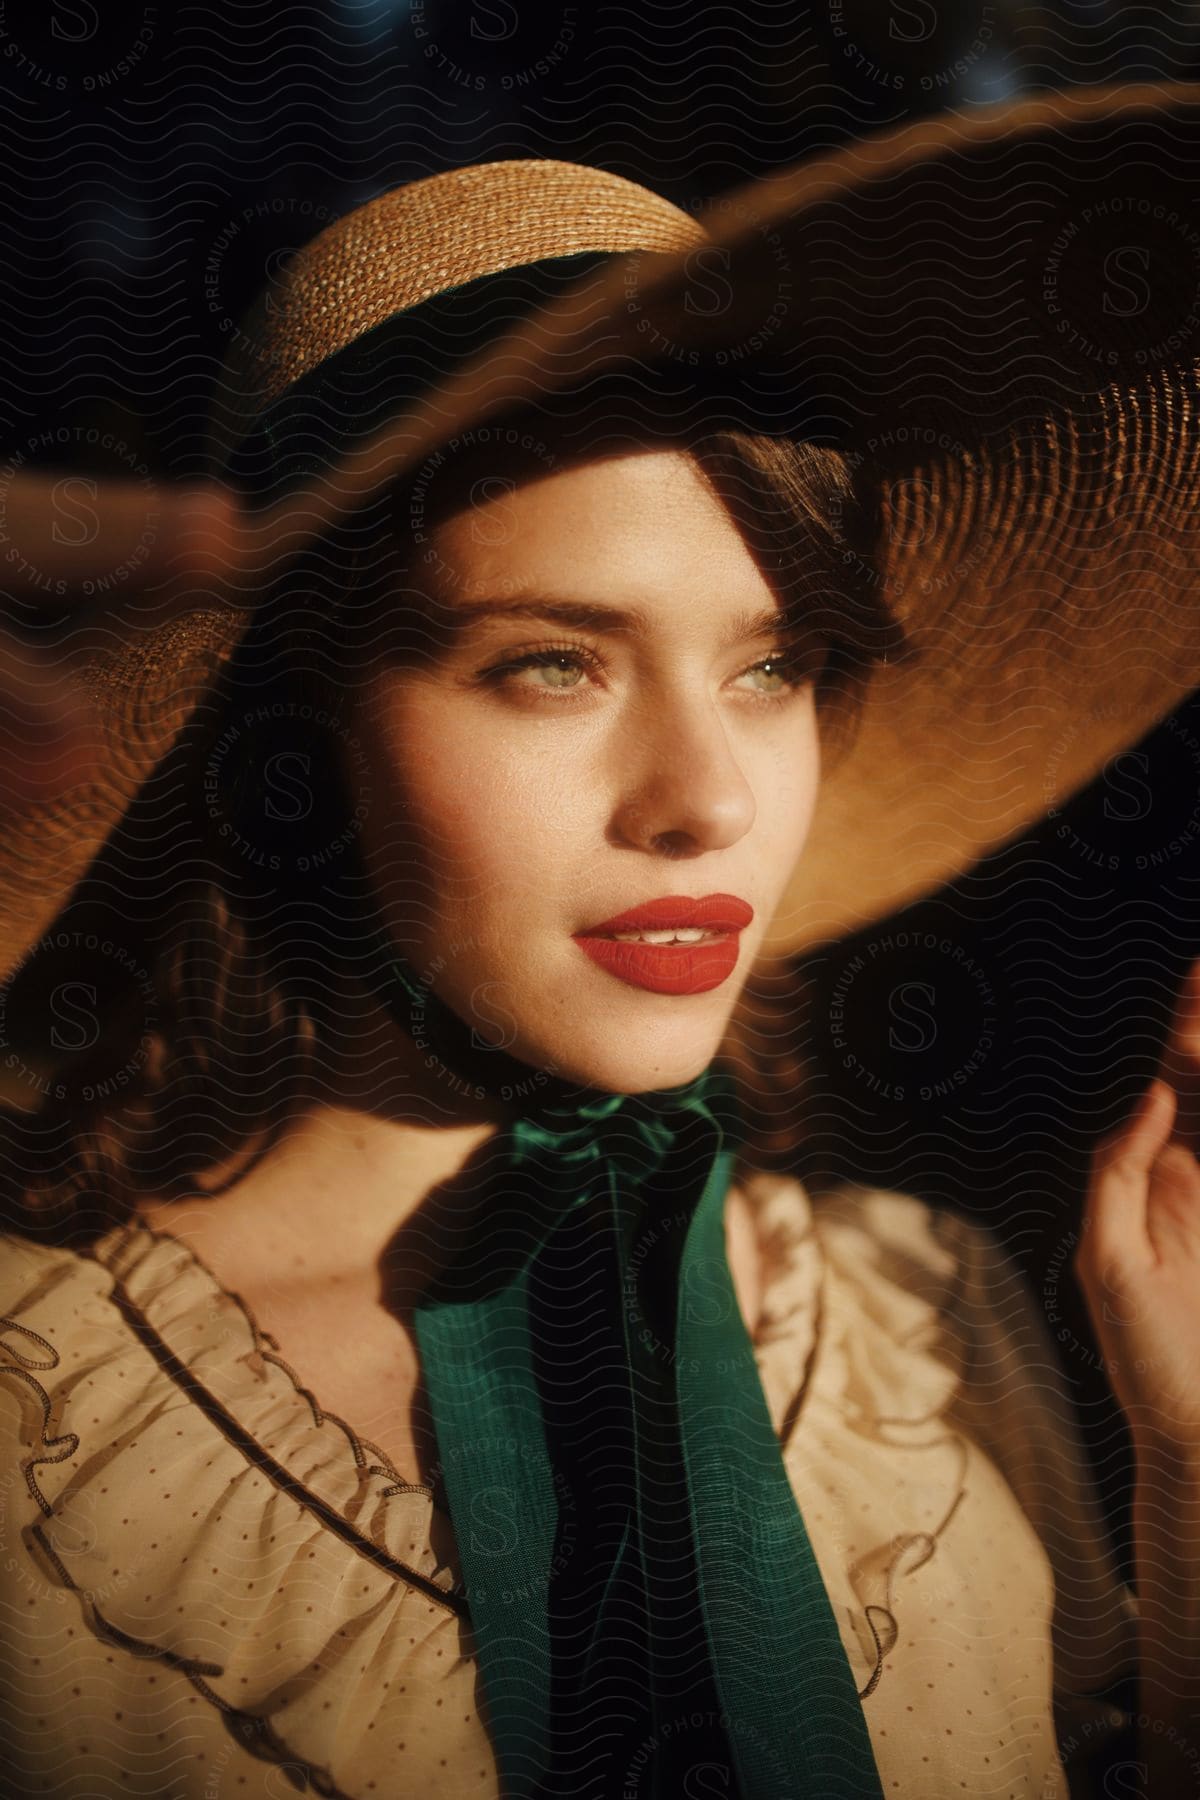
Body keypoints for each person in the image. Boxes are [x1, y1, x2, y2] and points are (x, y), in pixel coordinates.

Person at [1, 94, 1199, 1800]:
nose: (706, 800)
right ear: (300, 741)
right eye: (552, 663)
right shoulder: (40, 1441)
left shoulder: (929, 1309)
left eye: (771, 666)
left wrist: (1188, 1457)